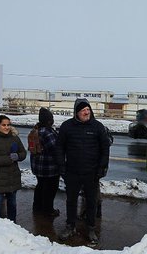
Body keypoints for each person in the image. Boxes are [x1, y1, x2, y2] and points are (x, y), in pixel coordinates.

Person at [57, 98, 111, 243]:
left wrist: (102, 167)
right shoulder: (67, 126)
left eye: (88, 109)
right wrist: (61, 166)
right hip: (72, 172)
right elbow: (59, 147)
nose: (86, 112)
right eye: (83, 110)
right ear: (76, 112)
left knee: (91, 202)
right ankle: (70, 226)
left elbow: (105, 148)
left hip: (91, 172)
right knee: (71, 201)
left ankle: (91, 228)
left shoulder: (97, 126)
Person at [28, 108, 61, 216]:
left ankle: (37, 207)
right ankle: (48, 210)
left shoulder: (35, 130)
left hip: (37, 166)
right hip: (48, 167)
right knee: (50, 189)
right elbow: (55, 149)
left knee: (40, 186)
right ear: (49, 120)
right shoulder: (47, 132)